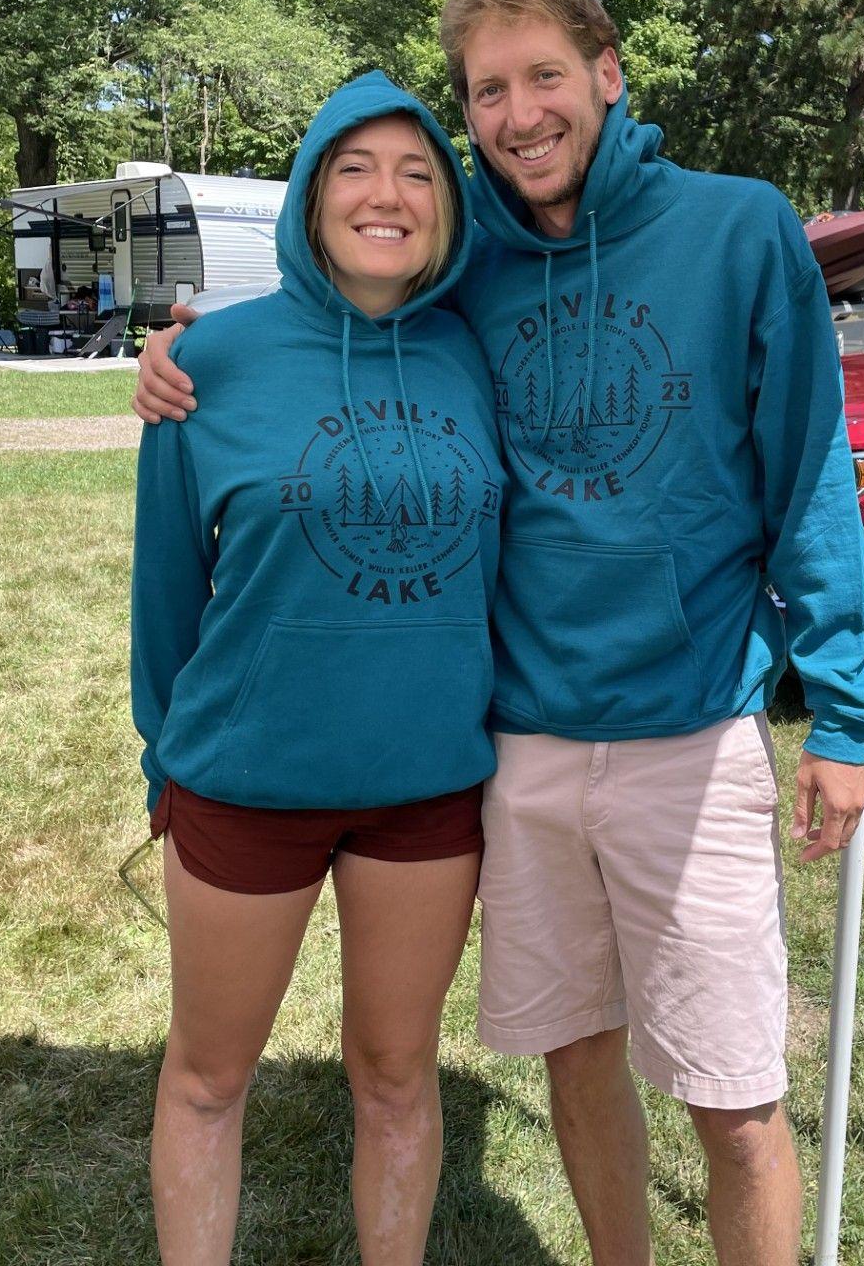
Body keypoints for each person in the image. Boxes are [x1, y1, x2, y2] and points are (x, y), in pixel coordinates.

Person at [135, 0, 864, 1266]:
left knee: (732, 1095)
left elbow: (809, 469)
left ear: (607, 72)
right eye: (488, 89)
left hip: (687, 727)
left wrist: (843, 712)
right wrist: (180, 351)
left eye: (546, 76)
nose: (519, 112)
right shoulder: (462, 249)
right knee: (578, 1061)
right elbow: (342, 281)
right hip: (519, 746)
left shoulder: (738, 227)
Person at [131, 72, 503, 1266]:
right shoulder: (210, 363)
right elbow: (165, 591)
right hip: (247, 779)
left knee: (398, 1075)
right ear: (309, 194)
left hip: (429, 787)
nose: (385, 195)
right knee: (207, 1076)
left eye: (416, 172)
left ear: (448, 206)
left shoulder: (481, 355)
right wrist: (161, 753)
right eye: (354, 168)